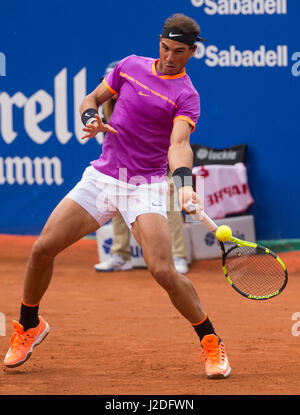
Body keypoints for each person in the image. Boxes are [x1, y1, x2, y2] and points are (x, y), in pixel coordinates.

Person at [4, 13, 231, 379]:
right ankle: (29, 325)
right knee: (42, 249)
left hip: (145, 187)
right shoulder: (129, 66)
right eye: (165, 47)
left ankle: (210, 340)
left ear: (191, 52)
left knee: (162, 270)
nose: (169, 57)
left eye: (178, 51)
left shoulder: (187, 95)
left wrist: (185, 182)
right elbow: (91, 98)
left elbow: (178, 143)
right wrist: (91, 118)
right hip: (105, 177)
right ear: (159, 42)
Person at [95, 64, 189, 274]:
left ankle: (178, 256)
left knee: (170, 206)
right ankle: (120, 255)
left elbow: (172, 141)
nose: (109, 88)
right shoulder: (108, 109)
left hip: (158, 165)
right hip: (126, 167)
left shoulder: (144, 102)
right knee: (116, 199)